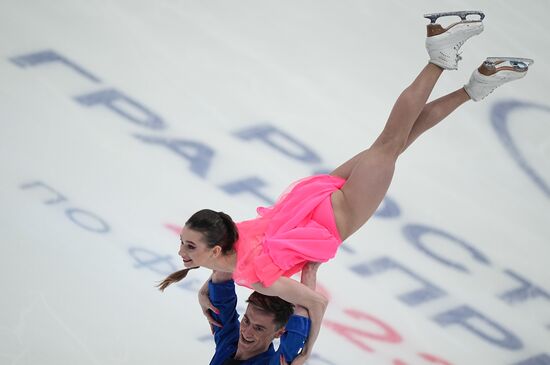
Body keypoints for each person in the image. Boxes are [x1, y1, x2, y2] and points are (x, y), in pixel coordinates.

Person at [159, 11, 533, 364]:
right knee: (395, 142)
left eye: (188, 245)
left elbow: (310, 304)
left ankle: (439, 54)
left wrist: (306, 349)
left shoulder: (251, 301)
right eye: (253, 324)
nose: (246, 330)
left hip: (331, 221)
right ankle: (477, 85)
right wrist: (210, 280)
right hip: (304, 204)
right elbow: (230, 280)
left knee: (389, 143)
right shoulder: (234, 261)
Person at [204, 262, 320, 365]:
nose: (246, 332)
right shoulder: (229, 339)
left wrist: (310, 271)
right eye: (246, 320)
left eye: (258, 328)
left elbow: (294, 341)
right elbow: (221, 286)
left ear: (279, 333)